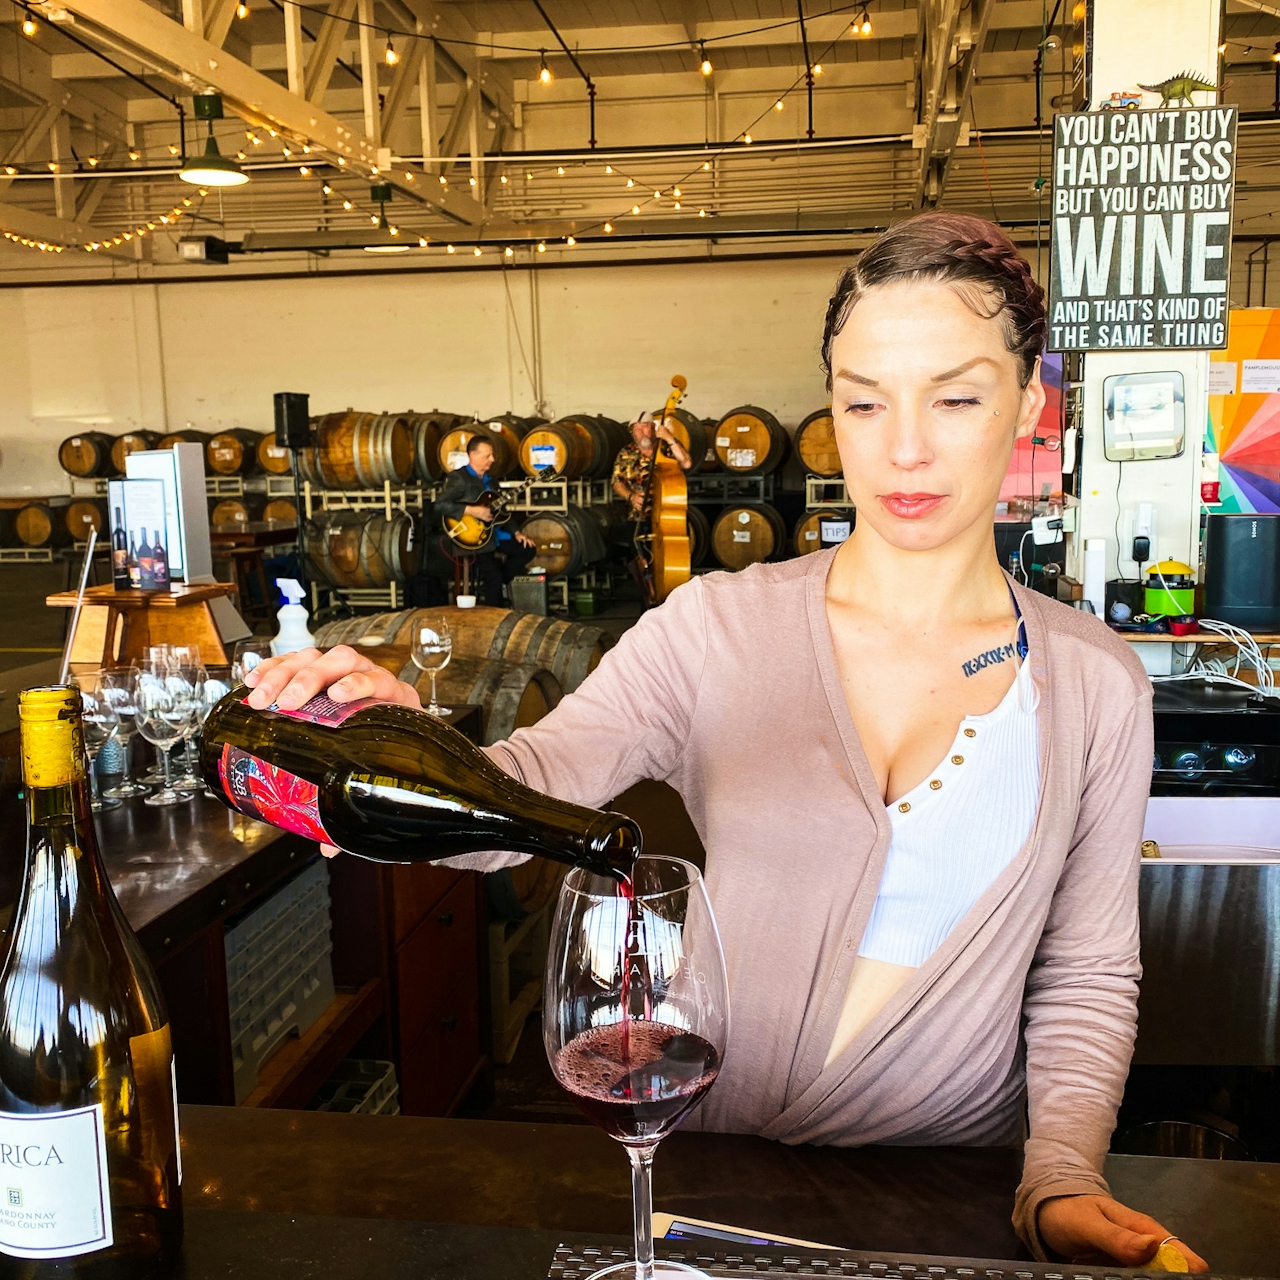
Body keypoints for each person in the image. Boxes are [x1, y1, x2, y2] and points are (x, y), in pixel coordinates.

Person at [243, 213, 1203, 1273]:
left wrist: (1061, 1176)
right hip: (706, 1177)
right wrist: (405, 739)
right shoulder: (714, 626)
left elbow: (1085, 968)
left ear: (1028, 403)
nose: (905, 446)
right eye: (862, 400)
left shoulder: (1093, 682)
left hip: (948, 1196)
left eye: (956, 395)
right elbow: (524, 802)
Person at [434, 435, 537, 607]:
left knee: (528, 550)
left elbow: (502, 511)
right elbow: (440, 505)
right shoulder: (459, 478)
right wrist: (472, 510)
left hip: (495, 535)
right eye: (488, 456)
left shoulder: (492, 481)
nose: (493, 459)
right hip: (473, 538)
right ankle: (494, 612)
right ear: (473, 456)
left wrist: (517, 533)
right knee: (493, 575)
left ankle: (497, 585)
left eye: (492, 455)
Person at [611, 411, 694, 518]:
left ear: (654, 428)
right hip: (638, 516)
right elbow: (617, 482)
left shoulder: (667, 447)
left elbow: (686, 463)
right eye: (636, 429)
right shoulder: (626, 452)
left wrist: (669, 438)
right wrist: (631, 497)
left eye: (645, 427)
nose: (641, 432)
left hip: (668, 515)